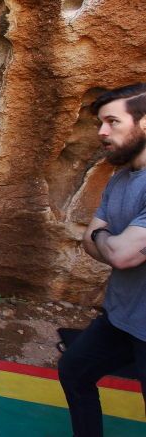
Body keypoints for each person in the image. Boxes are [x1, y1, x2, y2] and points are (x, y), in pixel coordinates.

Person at [58, 83, 146, 436]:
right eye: (100, 123)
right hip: (121, 317)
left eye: (112, 122)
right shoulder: (121, 176)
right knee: (74, 371)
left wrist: (103, 238)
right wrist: (105, 240)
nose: (101, 132)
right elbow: (90, 242)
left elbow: (121, 255)